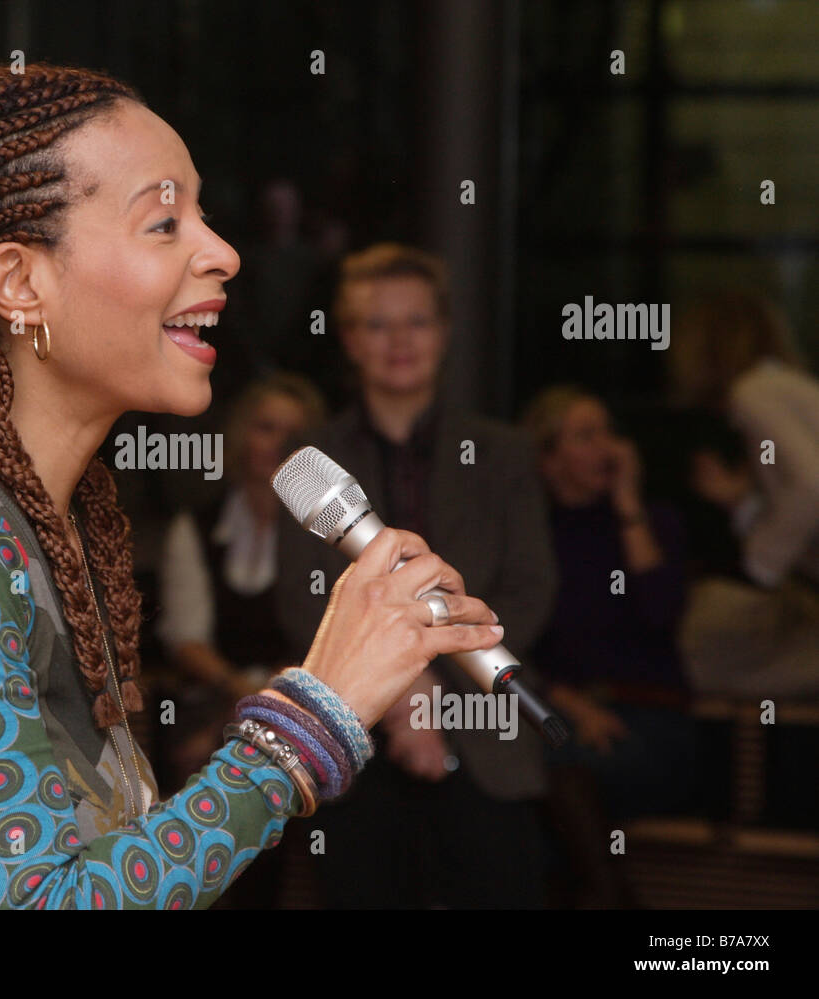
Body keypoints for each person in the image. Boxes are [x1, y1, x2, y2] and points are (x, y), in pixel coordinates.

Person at [0, 61, 505, 910]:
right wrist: (315, 713)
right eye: (163, 222)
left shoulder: (45, 508)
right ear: (19, 284)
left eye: (205, 216)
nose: (221, 252)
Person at [274, 242, 558, 908]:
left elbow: (530, 588)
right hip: (357, 743)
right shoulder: (312, 462)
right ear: (348, 338)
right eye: (377, 323)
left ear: (446, 331)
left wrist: (430, 680)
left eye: (417, 321)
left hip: (489, 732)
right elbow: (301, 599)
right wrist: (403, 698)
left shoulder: (505, 451)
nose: (399, 340)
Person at [521, 385, 697, 906]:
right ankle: (610, 894)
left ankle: (607, 895)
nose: (608, 448)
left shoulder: (653, 522)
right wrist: (571, 704)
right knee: (532, 775)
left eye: (609, 433)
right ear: (548, 460)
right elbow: (517, 643)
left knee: (553, 773)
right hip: (566, 717)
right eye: (585, 436)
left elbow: (661, 612)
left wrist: (628, 507)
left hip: (653, 721)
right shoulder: (535, 536)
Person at [155, 371, 325, 906]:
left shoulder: (327, 534)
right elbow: (187, 639)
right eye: (265, 427)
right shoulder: (197, 528)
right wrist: (245, 690)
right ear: (239, 437)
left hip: (306, 701)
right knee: (203, 747)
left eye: (292, 433)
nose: (276, 444)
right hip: (220, 697)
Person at [668, 290, 819, 697]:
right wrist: (742, 503)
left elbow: (811, 486)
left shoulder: (753, 392)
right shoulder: (781, 388)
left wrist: (757, 570)